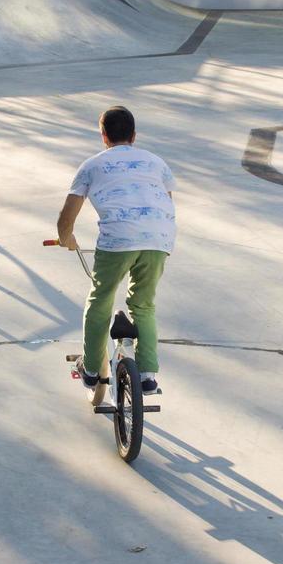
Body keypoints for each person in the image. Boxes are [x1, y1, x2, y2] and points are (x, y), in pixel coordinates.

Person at [56, 106, 175, 393]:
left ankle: (92, 370)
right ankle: (147, 375)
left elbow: (67, 217)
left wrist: (65, 238)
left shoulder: (92, 166)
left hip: (118, 241)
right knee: (143, 305)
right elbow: (167, 204)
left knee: (101, 300)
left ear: (103, 136)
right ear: (134, 135)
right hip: (159, 239)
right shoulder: (156, 163)